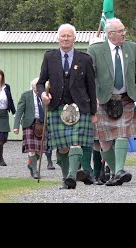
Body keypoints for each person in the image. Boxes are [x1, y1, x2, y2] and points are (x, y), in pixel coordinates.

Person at [87, 17, 136, 186]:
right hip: (103, 100)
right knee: (105, 140)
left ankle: (119, 170)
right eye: (121, 31)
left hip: (126, 98)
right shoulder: (95, 50)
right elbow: (89, 77)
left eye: (123, 30)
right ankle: (115, 173)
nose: (124, 33)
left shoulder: (131, 47)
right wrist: (93, 99)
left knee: (122, 133)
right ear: (110, 34)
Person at [37, 23, 98, 189]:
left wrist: (93, 112)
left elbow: (91, 87)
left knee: (76, 142)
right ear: (58, 38)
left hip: (80, 107)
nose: (65, 38)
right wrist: (43, 94)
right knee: (62, 147)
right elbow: (41, 82)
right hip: (57, 106)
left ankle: (72, 175)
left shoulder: (85, 59)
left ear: (74, 38)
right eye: (63, 36)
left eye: (68, 36)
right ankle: (66, 178)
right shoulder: (50, 57)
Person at [13, 78, 54, 179]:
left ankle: (31, 163)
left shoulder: (45, 96)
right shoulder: (26, 95)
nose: (37, 87)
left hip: (42, 125)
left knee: (40, 151)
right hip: (29, 124)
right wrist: (16, 126)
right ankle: (35, 172)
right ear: (32, 86)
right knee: (31, 149)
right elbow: (19, 111)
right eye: (36, 85)